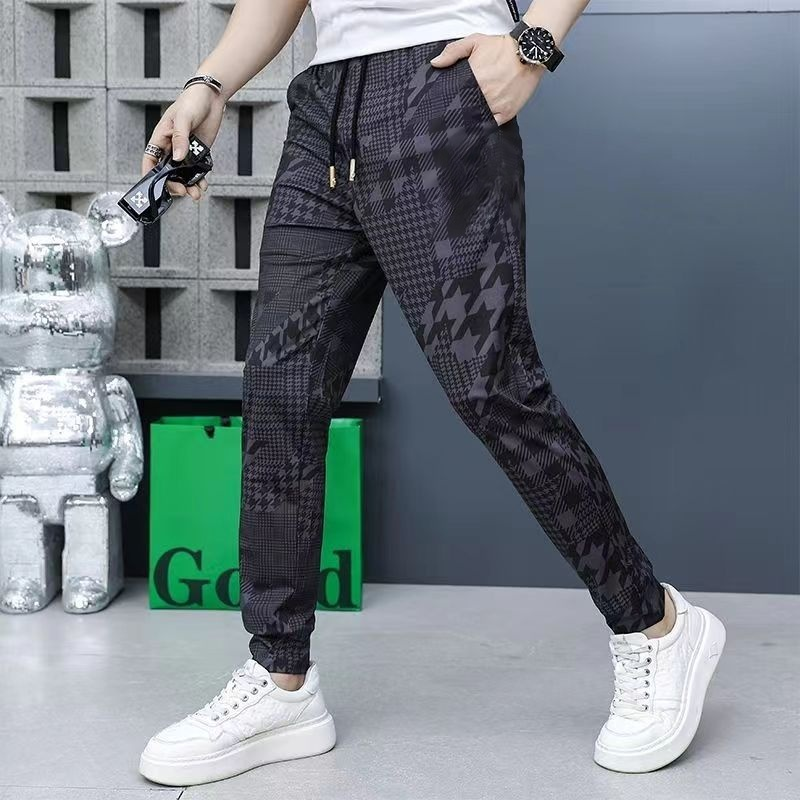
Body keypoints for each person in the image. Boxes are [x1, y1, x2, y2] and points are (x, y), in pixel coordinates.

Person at [137, 0, 726, 786]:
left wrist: (534, 44)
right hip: (323, 110)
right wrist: (210, 83)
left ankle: (656, 625)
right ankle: (282, 679)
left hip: (440, 88)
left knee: (491, 385)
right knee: (280, 393)